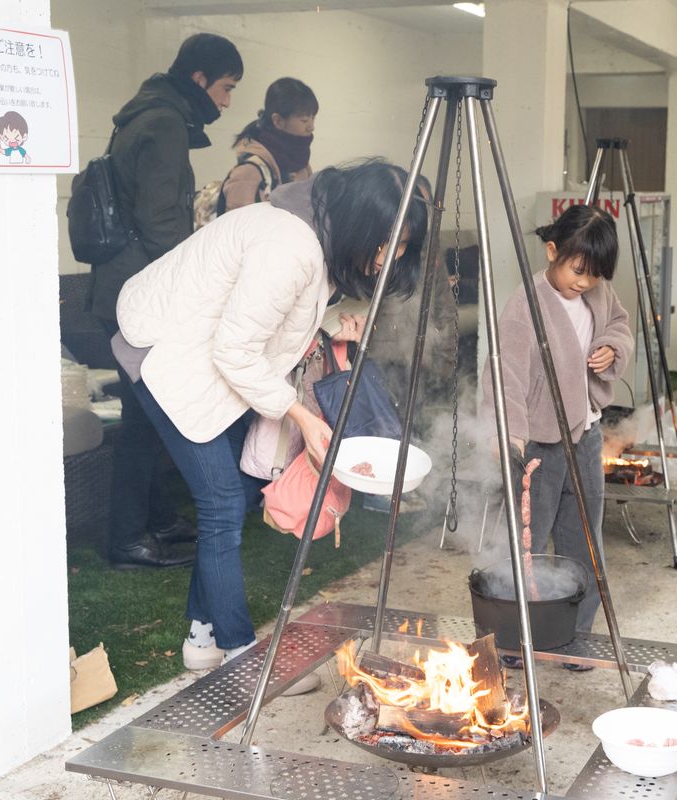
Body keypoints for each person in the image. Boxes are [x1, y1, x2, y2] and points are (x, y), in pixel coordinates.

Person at [113, 160, 427, 671]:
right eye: (387, 241)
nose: (390, 256)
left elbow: (272, 316)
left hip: (205, 356)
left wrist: (328, 327)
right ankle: (242, 656)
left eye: (403, 244)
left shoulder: (314, 235)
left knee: (231, 498)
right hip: (165, 356)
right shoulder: (290, 246)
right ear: (360, 220)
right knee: (219, 503)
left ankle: (202, 638)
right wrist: (301, 416)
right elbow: (236, 350)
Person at [89, 33, 244, 570]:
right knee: (143, 420)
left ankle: (154, 521)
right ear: (199, 79)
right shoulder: (164, 123)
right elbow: (160, 224)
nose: (226, 103)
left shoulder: (144, 114)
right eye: (225, 89)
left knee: (152, 416)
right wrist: (193, 283)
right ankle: (129, 539)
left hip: (127, 289)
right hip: (141, 296)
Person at [482, 205, 633, 667]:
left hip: (585, 433)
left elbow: (619, 326)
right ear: (552, 251)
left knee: (583, 538)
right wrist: (509, 434)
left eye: (595, 275)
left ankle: (575, 635)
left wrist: (612, 349)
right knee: (527, 542)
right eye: (577, 270)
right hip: (540, 441)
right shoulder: (524, 305)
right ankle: (512, 637)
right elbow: (504, 372)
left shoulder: (599, 293)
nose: (584, 282)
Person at [223, 78, 319, 212]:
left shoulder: (301, 165)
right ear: (278, 121)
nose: (311, 127)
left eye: (313, 118)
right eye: (304, 120)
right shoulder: (250, 172)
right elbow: (237, 227)